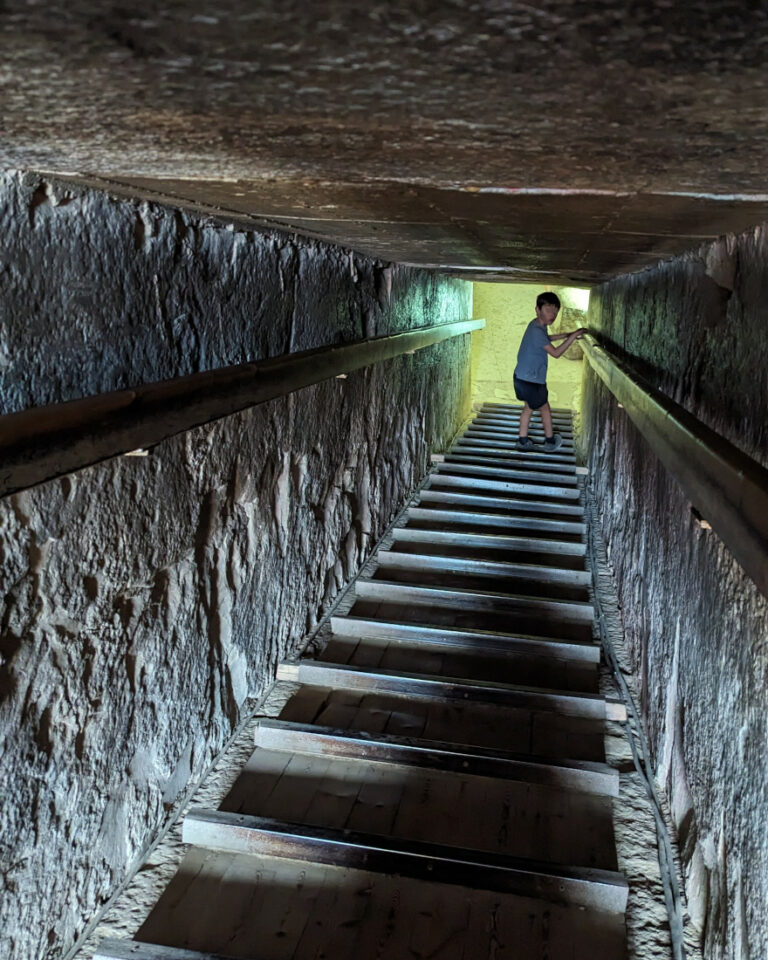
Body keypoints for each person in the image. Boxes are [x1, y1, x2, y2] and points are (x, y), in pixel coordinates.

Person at [512, 292, 585, 452]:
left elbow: (547, 338)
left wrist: (565, 335)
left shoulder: (536, 325)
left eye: (555, 311)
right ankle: (550, 441)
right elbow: (556, 353)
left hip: (521, 377)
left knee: (528, 408)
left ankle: (523, 440)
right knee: (544, 408)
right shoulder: (538, 331)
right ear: (537, 309)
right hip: (532, 381)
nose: (552, 314)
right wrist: (572, 337)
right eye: (548, 310)